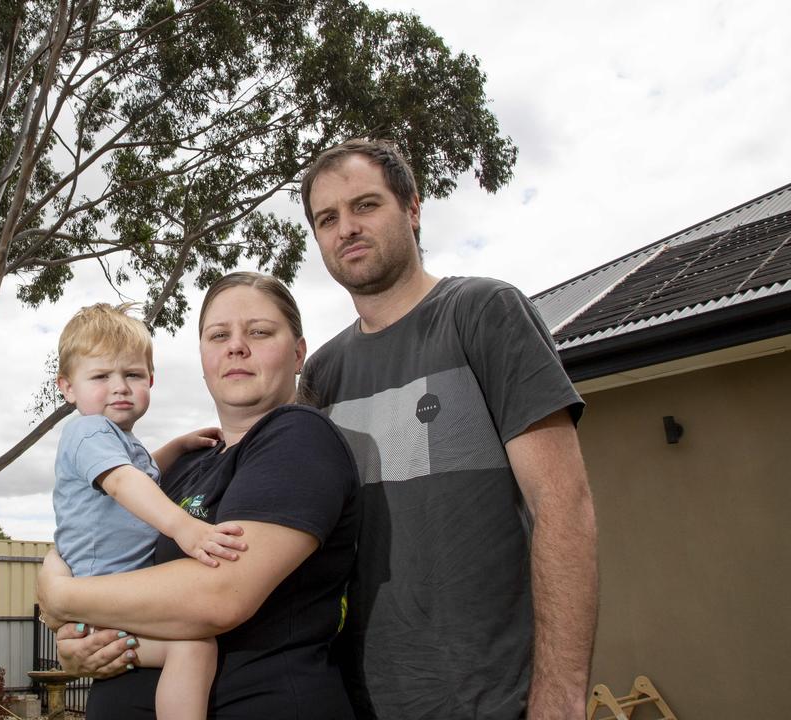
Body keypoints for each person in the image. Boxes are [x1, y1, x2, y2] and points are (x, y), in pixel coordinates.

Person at [299, 138, 598, 719]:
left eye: (366, 205)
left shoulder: (484, 312)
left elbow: (563, 504)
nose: (346, 229)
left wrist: (560, 696)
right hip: (356, 699)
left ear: (412, 209)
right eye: (327, 218)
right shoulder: (322, 374)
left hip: (490, 698)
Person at [38, 273, 362, 719]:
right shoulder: (191, 464)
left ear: (298, 354)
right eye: (219, 335)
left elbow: (220, 595)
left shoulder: (297, 437)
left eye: (259, 332)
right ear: (203, 358)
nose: (236, 346)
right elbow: (92, 529)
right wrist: (77, 643)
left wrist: (60, 597)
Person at [50, 302, 249, 720]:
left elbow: (140, 473)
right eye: (101, 376)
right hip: (106, 596)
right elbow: (124, 483)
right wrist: (184, 528)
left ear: (151, 381)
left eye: (133, 375)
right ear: (67, 388)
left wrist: (177, 446)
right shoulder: (87, 431)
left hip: (114, 594)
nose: (119, 386)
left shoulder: (119, 439)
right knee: (194, 645)